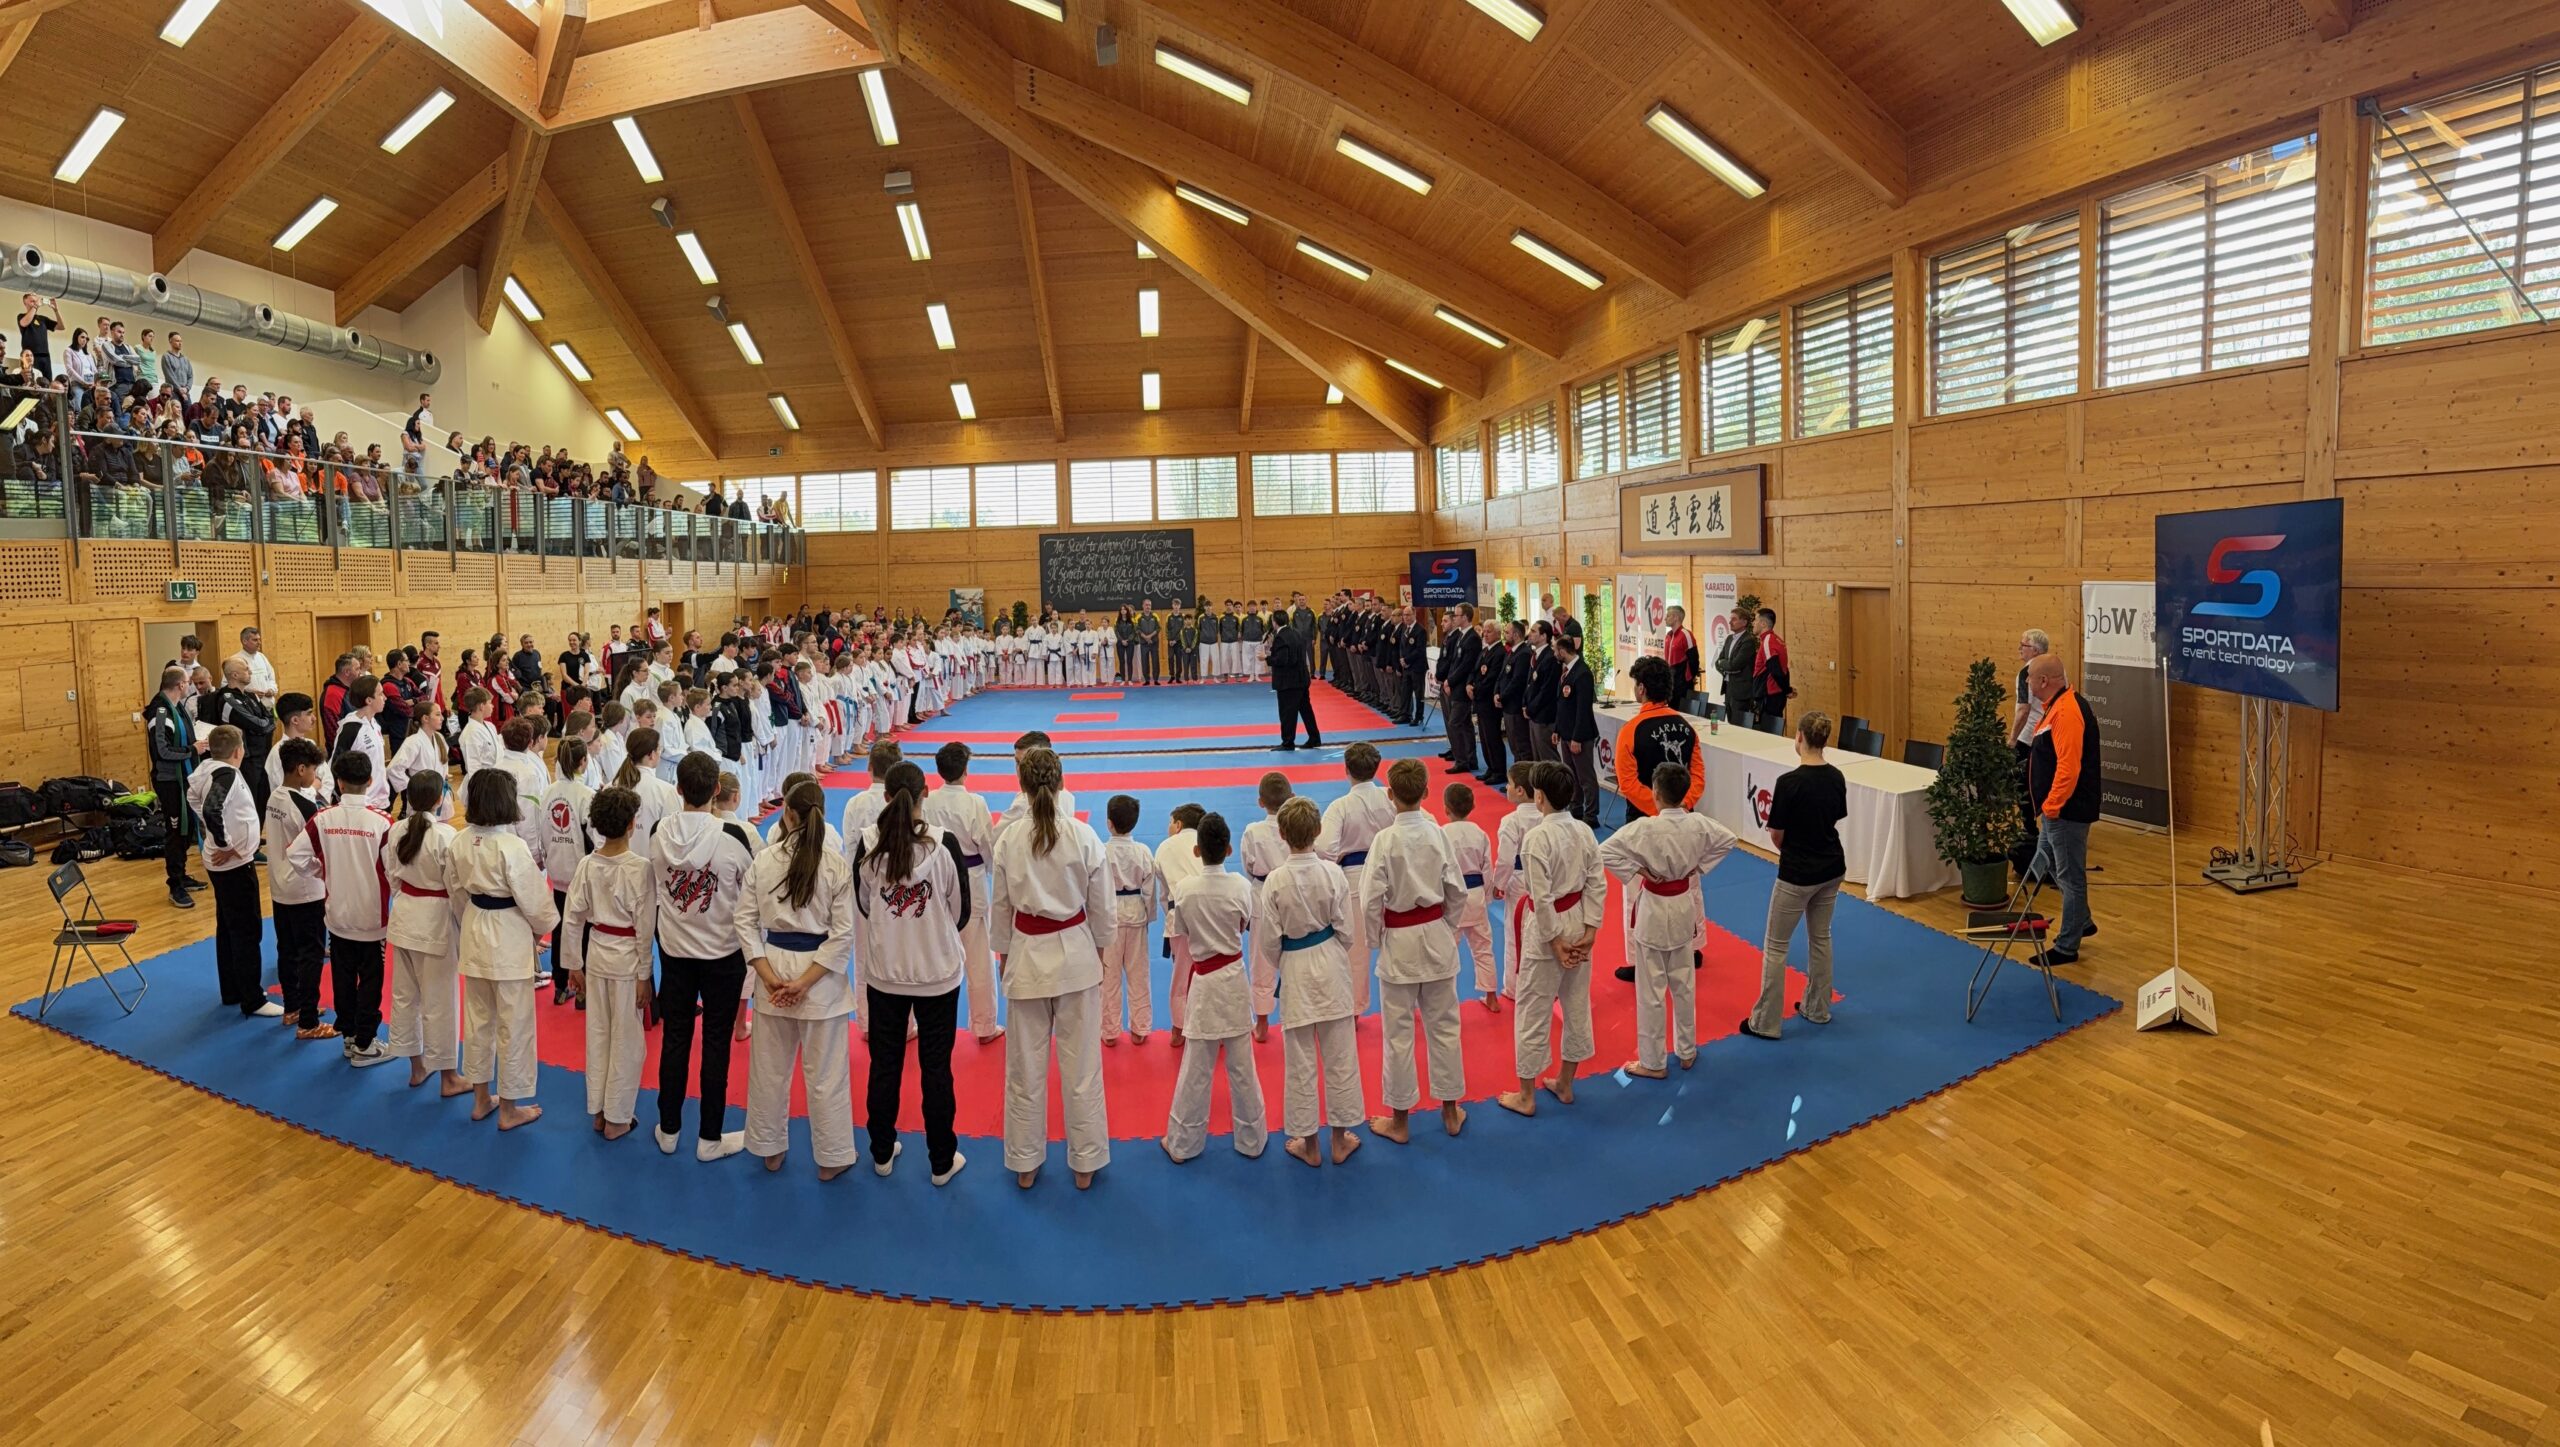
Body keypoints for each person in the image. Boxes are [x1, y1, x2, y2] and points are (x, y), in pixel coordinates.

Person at [988, 746, 1114, 1190]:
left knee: (1024, 1069)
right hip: (1076, 953)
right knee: (1082, 1068)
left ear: (1021, 786)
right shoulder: (1084, 836)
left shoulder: (1009, 839)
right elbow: (1103, 908)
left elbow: (1000, 908)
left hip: (1026, 955)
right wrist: (1100, 952)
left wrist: (1004, 955)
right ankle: (1085, 1162)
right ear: (1061, 783)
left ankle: (1025, 1161)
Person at [846, 767, 972, 1185]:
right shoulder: (943, 844)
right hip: (937, 971)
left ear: (886, 797)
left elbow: (865, 905)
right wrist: (930, 927)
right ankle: (941, 1160)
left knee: (885, 1065)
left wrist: (897, 925)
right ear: (925, 794)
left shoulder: (869, 844)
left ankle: (881, 1152)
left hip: (886, 973)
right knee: (936, 1068)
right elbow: (961, 910)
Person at [738, 780, 862, 1180]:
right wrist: (805, 982)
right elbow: (843, 934)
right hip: (820, 977)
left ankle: (769, 1148)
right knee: (826, 1074)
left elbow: (744, 921)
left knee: (769, 1070)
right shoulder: (835, 865)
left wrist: (766, 973)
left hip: (773, 968)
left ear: (787, 815)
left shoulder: (765, 859)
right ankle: (832, 1157)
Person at [650, 753, 760, 1161]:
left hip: (675, 951)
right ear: (717, 789)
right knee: (716, 1042)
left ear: (678, 788)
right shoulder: (735, 837)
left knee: (675, 1038)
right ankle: (709, 1137)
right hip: (722, 952)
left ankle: (669, 1128)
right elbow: (753, 889)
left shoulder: (659, 833)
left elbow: (657, 883)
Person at [1602, 762, 1740, 1076]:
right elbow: (1728, 839)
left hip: (1653, 907)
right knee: (1684, 984)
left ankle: (1653, 1062)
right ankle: (1687, 1051)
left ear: (1655, 792)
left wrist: (1638, 869)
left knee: (1650, 989)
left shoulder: (1644, 828)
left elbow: (1605, 851)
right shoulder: (1697, 823)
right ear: (1684, 794)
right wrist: (1698, 866)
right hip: (1681, 906)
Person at [1360, 759, 1470, 1145]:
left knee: (1398, 1034)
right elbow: (1457, 890)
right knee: (1445, 1027)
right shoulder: (1438, 834)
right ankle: (1450, 1111)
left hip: (1400, 941)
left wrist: (1376, 940)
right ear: (1426, 792)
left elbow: (1370, 900)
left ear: (1389, 795)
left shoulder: (1384, 840)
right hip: (1436, 935)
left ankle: (1400, 1121)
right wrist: (1447, 926)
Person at [1259, 796, 1365, 1167]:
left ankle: (1309, 1144)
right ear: (1318, 831)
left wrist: (1288, 961)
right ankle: (1339, 1140)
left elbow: (1268, 942)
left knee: (1300, 1061)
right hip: (1331, 961)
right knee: (1341, 1055)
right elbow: (1347, 930)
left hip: (1295, 967)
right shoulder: (1333, 873)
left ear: (1282, 834)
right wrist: (1329, 951)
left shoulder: (1274, 881)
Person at [448, 769, 556, 1129]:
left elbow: (456, 892)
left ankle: (481, 1099)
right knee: (514, 1023)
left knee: (478, 1020)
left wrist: (469, 921)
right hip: (507, 933)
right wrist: (540, 931)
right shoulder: (511, 846)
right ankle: (509, 1108)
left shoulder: (460, 841)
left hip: (475, 927)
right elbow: (535, 902)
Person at [1498, 762, 1607, 1117]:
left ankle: (1526, 1096)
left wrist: (1555, 941)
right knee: (1576, 1003)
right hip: (1578, 921)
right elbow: (1596, 881)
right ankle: (1565, 1082)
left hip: (1548, 932)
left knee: (1533, 1008)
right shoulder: (1584, 832)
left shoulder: (1536, 839)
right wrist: (1591, 930)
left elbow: (1542, 898)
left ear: (1539, 797)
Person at [1159, 812, 1267, 1164]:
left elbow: (1183, 930)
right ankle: (1252, 1139)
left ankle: (1183, 1143)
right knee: (1242, 1065)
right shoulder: (1241, 887)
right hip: (1233, 980)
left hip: (1205, 983)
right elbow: (1244, 923)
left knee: (1196, 1068)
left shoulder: (1186, 891)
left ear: (1196, 850)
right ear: (1229, 849)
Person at [1743, 714, 1847, 1040]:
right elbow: (1834, 817)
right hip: (1831, 867)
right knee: (1821, 937)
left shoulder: (1789, 782)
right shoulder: (1836, 777)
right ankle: (1817, 1007)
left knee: (1776, 946)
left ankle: (1766, 1021)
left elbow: (1776, 834)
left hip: (1798, 873)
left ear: (1799, 737)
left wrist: (1793, 849)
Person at [302, 752, 398, 1068]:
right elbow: (395, 871)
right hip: (371, 918)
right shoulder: (383, 822)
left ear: (339, 783)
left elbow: (296, 856)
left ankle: (349, 1036)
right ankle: (365, 1043)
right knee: (371, 981)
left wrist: (322, 871)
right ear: (370, 781)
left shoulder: (322, 818)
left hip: (338, 915)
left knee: (342, 977)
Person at [385, 771, 466, 1095]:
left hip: (404, 916)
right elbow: (456, 888)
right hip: (435, 922)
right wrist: (462, 921)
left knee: (406, 997)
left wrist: (404, 900)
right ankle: (449, 1078)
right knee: (440, 1001)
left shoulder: (396, 830)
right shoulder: (446, 835)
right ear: (438, 799)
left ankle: (417, 1067)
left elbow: (392, 876)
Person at [920, 742, 1003, 1044]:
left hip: (935, 880)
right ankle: (984, 1026)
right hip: (971, 881)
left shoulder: (928, 801)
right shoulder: (974, 803)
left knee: (934, 954)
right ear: (966, 770)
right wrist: (991, 870)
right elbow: (987, 845)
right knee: (979, 957)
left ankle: (930, 1024)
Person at [186, 725, 270, 1019]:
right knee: (247, 929)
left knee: (228, 925)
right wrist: (225, 843)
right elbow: (211, 809)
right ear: (238, 751)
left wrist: (214, 835)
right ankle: (253, 998)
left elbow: (194, 800)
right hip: (233, 865)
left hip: (226, 863)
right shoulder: (226, 775)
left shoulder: (207, 769)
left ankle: (232, 989)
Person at [2024, 655, 2101, 966]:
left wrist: (2052, 806)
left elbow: (2069, 768)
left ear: (2044, 681)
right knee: (2050, 863)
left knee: (2069, 876)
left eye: (2029, 677)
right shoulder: (2055, 706)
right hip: (2056, 810)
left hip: (2066, 811)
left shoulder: (2067, 711)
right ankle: (2083, 920)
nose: (2026, 682)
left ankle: (2067, 946)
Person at [1316, 742, 1393, 1014]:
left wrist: (1337, 862)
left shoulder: (1341, 806)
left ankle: (1355, 1010)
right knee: (1396, 939)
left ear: (1346, 769)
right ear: (1376, 768)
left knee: (1357, 950)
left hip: (1355, 877)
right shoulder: (1390, 796)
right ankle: (1406, 1002)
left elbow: (1324, 848)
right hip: (1391, 873)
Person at [265, 740, 331, 1034]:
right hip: (305, 888)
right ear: (301, 769)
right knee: (311, 954)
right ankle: (309, 1021)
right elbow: (319, 846)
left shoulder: (274, 798)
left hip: (280, 886)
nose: (315, 775)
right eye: (313, 770)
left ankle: (293, 1007)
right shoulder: (303, 805)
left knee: (288, 949)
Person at [539, 739, 596, 1004]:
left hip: (558, 871)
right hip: (580, 872)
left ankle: (561, 986)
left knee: (561, 927)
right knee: (583, 930)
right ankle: (583, 991)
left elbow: (543, 831)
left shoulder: (547, 793)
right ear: (583, 762)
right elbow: (595, 838)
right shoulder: (586, 795)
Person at [1100, 794, 1158, 1046]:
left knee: (1108, 977)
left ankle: (1110, 1031)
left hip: (1109, 915)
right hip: (1135, 914)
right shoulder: (1143, 851)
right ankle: (1140, 1028)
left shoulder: (1101, 851)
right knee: (1138, 974)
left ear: (1109, 823)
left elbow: (1095, 888)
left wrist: (1095, 918)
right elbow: (1150, 889)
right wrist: (1149, 915)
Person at [145, 665, 205, 909]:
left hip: (185, 776)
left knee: (186, 829)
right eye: (188, 681)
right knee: (176, 831)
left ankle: (182, 874)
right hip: (170, 780)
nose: (189, 685)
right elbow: (162, 751)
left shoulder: (177, 706)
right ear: (181, 684)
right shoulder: (160, 711)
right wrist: (192, 750)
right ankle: (175, 885)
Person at [1442, 780, 1497, 1007]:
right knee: (1483, 947)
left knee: (1447, 951)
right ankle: (1491, 996)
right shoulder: (1479, 834)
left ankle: (1446, 1001)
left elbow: (1439, 869)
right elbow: (1487, 869)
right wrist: (1487, 896)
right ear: (1473, 806)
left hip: (1451, 897)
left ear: (1446, 809)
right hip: (1475, 895)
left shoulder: (1442, 834)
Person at [1156, 801, 1205, 1046]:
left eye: (1170, 822)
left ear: (1178, 824)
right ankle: (1213, 1027)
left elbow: (1164, 893)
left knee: (1181, 973)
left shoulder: (1165, 847)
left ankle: (1178, 1029)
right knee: (1210, 969)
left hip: (1179, 912)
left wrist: (1170, 915)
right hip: (1210, 911)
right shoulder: (1207, 840)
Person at [2010, 628, 2053, 879]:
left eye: (2023, 645)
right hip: (2050, 736)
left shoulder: (2026, 673)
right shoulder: (2056, 670)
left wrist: (2012, 739)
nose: (2019, 649)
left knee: (2022, 786)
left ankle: (2030, 832)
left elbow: (2023, 710)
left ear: (2035, 650)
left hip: (2029, 738)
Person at [1552, 624, 1601, 826]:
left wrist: (1577, 738)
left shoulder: (1582, 673)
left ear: (1563, 651)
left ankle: (1591, 814)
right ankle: (1576, 807)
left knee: (1585, 777)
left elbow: (1583, 709)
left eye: (1555, 650)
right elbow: (1562, 704)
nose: (1554, 654)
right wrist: (1557, 729)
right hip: (1566, 732)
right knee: (1571, 774)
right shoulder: (1565, 671)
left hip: (1579, 735)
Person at [1269, 603, 1319, 750]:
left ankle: (1288, 742)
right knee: (1306, 711)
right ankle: (1314, 738)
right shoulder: (1296, 632)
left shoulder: (1281, 637)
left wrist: (1267, 658)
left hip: (1288, 682)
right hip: (1301, 678)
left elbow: (1282, 660)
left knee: (1287, 713)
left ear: (1275, 622)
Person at [1437, 605, 1480, 774]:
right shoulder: (1462, 636)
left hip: (1463, 687)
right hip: (1456, 685)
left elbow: (1466, 665)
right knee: (1465, 724)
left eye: (1456, 615)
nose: (1454, 618)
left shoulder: (1473, 638)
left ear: (1465, 617)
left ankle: (1462, 760)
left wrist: (1450, 681)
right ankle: (1470, 759)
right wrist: (1448, 680)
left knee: (1455, 723)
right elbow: (1454, 662)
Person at [1472, 618, 1511, 787]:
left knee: (1493, 736)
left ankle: (1499, 770)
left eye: (1489, 632)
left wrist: (1476, 689)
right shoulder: (1484, 651)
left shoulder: (1500, 652)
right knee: (1484, 736)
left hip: (1489, 700)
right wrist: (1470, 684)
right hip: (1480, 699)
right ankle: (1490, 767)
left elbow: (1492, 677)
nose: (1485, 634)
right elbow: (1476, 671)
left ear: (1498, 633)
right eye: (1484, 631)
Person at [1750, 608, 1793, 735]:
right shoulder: (1776, 640)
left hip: (1769, 696)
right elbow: (1784, 669)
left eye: (1755, 620)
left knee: (1767, 735)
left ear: (1763, 624)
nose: (1753, 623)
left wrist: (1787, 690)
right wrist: (1787, 689)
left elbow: (1775, 669)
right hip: (1775, 695)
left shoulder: (1768, 641)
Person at [1715, 606, 1757, 729]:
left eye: (1734, 619)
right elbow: (1718, 661)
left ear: (1744, 622)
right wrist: (1727, 666)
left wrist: (1727, 665)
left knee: (1739, 726)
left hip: (1741, 690)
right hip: (1728, 686)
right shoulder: (1729, 638)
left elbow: (1735, 665)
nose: (1730, 622)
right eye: (1730, 619)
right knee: (1730, 723)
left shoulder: (1748, 641)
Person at [1661, 605, 1701, 715]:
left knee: (1683, 714)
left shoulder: (1686, 634)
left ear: (1676, 617)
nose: (1665, 618)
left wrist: (1688, 679)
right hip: (1671, 681)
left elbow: (1694, 659)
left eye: (1668, 616)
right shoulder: (1668, 635)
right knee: (1671, 712)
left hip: (1682, 683)